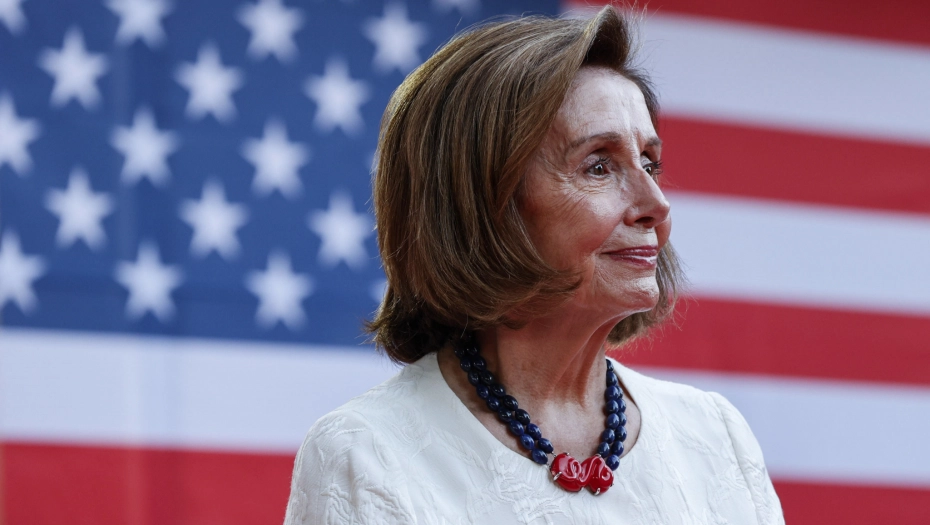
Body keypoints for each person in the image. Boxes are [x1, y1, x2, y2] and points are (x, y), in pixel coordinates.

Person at [283, 6, 785, 524]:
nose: (656, 204)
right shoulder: (366, 454)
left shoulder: (715, 435)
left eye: (649, 164)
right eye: (598, 166)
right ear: (482, 205)